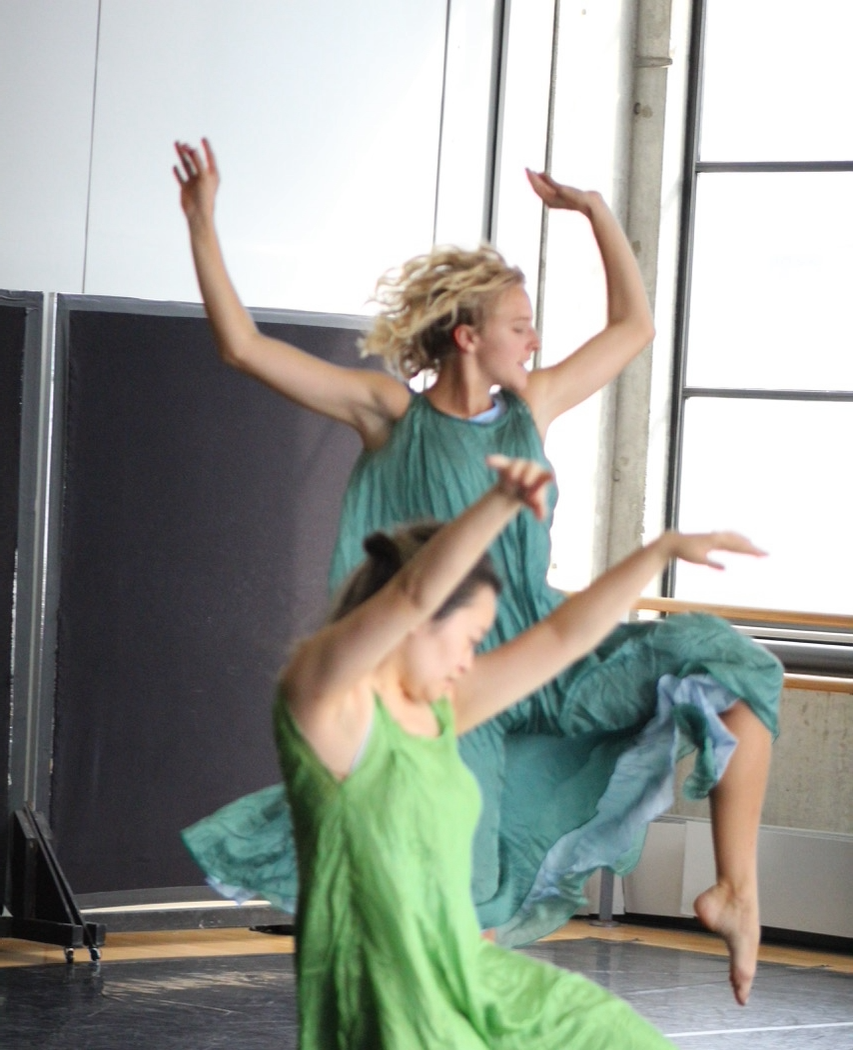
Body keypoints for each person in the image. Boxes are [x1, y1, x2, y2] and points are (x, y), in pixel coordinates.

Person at [175, 139, 783, 1006]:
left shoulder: (531, 409)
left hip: (553, 657)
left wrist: (595, 212)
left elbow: (634, 329)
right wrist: (202, 223)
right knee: (476, 896)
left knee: (735, 670)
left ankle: (735, 892)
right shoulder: (390, 414)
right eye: (519, 327)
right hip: (464, 695)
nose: (534, 342)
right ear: (467, 337)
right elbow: (241, 347)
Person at [274, 451, 772, 1050]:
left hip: (471, 977)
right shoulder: (325, 707)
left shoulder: (442, 707)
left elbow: (563, 636)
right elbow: (408, 594)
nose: (472, 658)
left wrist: (653, 556)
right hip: (391, 1002)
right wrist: (501, 504)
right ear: (413, 623)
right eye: (464, 637)